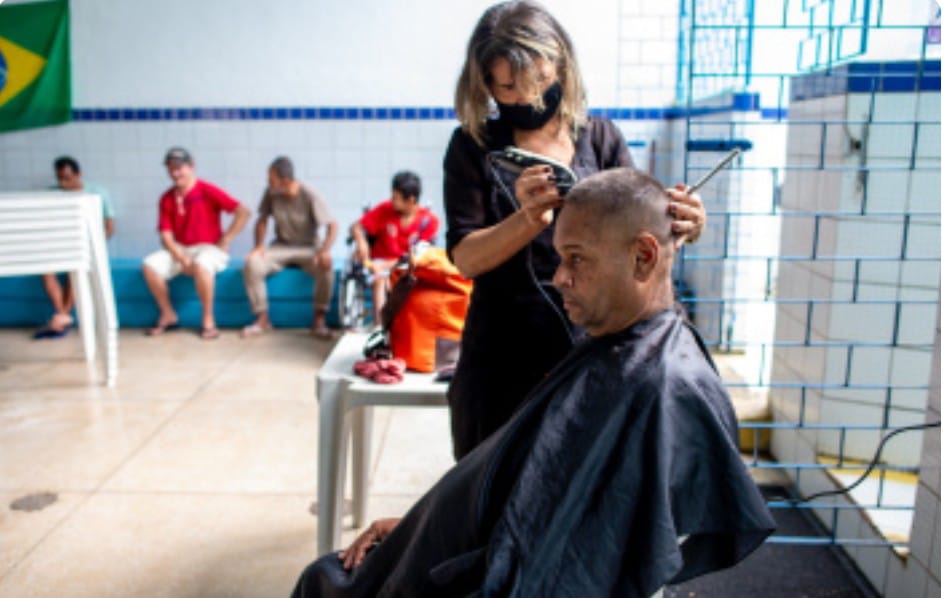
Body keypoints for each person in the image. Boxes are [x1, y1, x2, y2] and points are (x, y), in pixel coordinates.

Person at [290, 168, 775, 597]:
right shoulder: (616, 350)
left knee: (325, 581)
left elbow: (557, 565)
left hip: (469, 571)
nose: (558, 277)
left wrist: (427, 551)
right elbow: (531, 502)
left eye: (576, 258)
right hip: (458, 541)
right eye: (560, 257)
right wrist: (417, 531)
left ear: (644, 257)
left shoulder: (656, 387)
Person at [443, 0, 708, 459]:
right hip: (503, 355)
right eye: (508, 86)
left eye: (538, 80)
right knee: (496, 484)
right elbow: (466, 258)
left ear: (562, 65)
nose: (527, 98)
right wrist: (526, 220)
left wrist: (683, 226)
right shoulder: (473, 147)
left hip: (595, 348)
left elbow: (640, 241)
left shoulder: (600, 139)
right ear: (484, 84)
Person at [142, 147, 250, 339]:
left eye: (179, 168)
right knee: (149, 265)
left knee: (201, 265)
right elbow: (166, 236)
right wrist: (180, 257)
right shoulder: (167, 198)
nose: (175, 173)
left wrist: (226, 238)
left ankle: (208, 319)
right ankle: (168, 314)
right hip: (181, 249)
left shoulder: (207, 190)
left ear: (191, 167)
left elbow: (243, 212)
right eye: (171, 169)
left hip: (209, 248)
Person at [241, 156, 338, 338]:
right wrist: (258, 246)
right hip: (281, 247)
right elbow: (262, 220)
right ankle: (262, 319)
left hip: (309, 247)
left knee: (326, 267)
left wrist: (325, 251)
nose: (268, 183)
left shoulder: (309, 194)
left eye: (272, 179)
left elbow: (332, 225)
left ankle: (319, 320)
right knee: (252, 263)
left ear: (285, 181)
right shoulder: (271, 193)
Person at [34, 156, 116, 339]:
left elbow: (110, 227)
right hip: (59, 245)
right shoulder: (52, 195)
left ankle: (61, 317)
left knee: (76, 268)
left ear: (78, 175)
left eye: (67, 178)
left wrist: (93, 246)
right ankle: (63, 315)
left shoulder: (97, 194)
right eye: (60, 179)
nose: (63, 184)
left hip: (84, 248)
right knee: (46, 270)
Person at [350, 171, 439, 323]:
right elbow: (356, 227)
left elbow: (420, 255)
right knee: (381, 282)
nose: (392, 200)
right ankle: (380, 326)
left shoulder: (429, 221)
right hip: (379, 264)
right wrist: (362, 242)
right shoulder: (385, 209)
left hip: (409, 266)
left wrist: (388, 265)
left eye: (396, 197)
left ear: (411, 200)